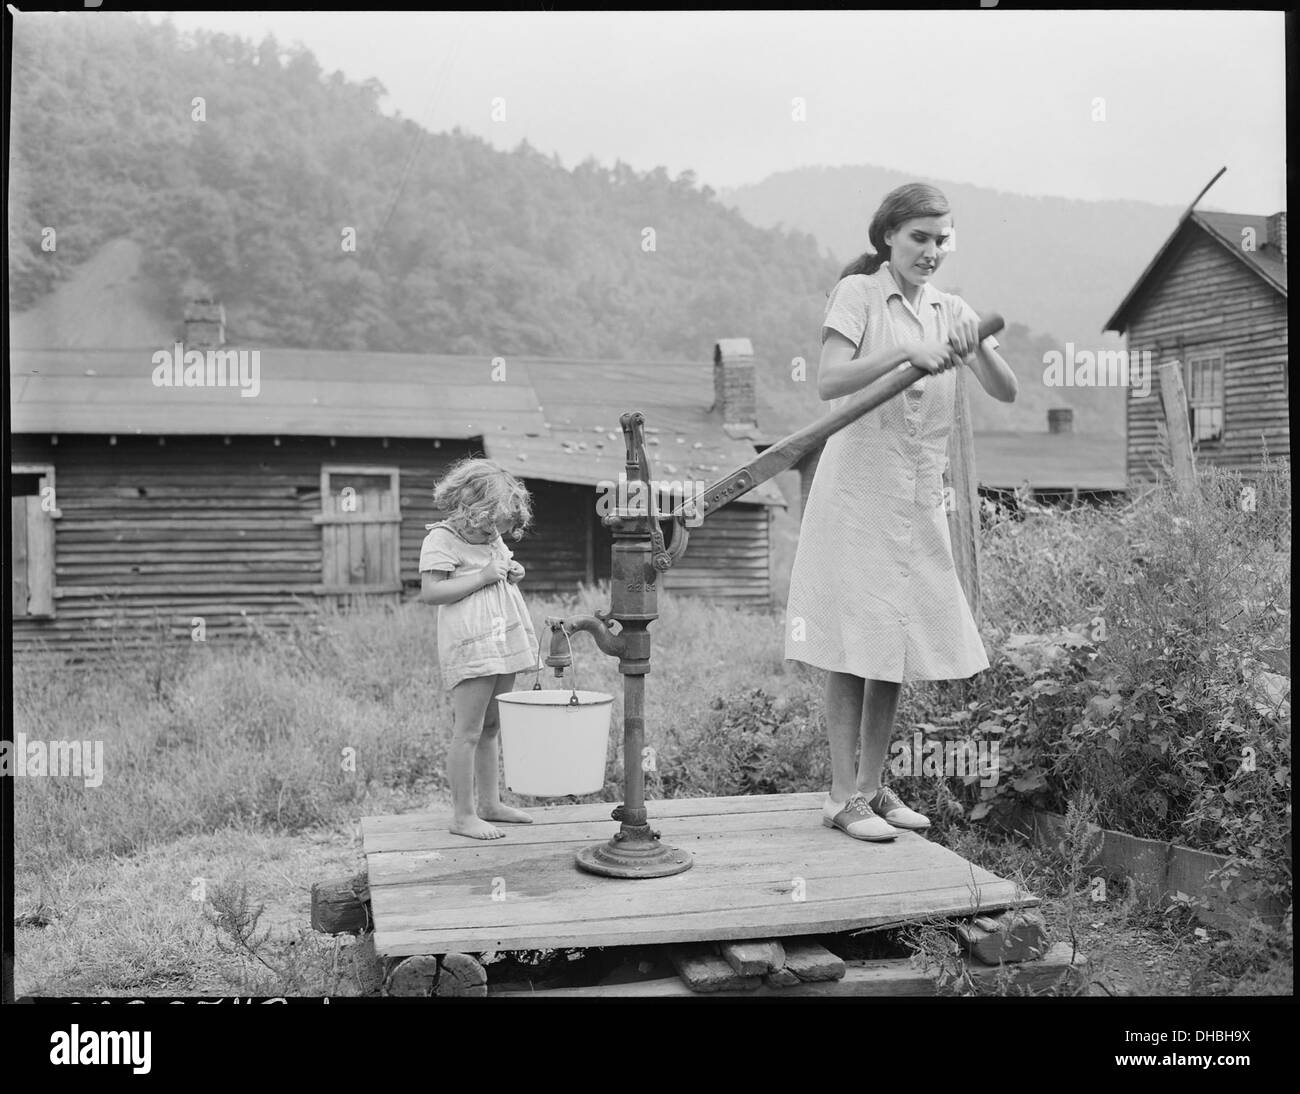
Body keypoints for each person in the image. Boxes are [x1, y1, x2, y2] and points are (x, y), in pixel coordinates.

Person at [785, 182, 1019, 842]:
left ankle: (871, 787)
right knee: (850, 642)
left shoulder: (953, 311)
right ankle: (840, 797)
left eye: (942, 238)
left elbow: (1007, 390)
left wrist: (971, 348)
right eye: (919, 237)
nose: (931, 250)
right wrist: (904, 353)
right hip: (856, 495)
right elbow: (830, 380)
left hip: (916, 503)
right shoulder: (858, 295)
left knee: (895, 641)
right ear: (888, 235)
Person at [419, 457, 539, 840]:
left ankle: (490, 803)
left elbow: (500, 568)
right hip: (471, 644)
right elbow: (432, 592)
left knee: (491, 726)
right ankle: (463, 815)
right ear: (477, 512)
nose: (499, 534)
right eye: (497, 525)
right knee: (468, 730)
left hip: (503, 638)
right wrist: (484, 576)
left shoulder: (492, 537)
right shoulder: (441, 539)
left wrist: (512, 572)